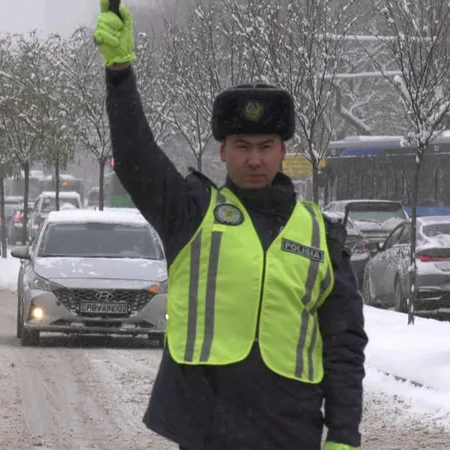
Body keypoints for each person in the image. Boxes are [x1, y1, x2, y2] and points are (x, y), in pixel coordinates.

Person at [94, 2, 368, 450]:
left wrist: (343, 435)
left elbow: (344, 346)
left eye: (266, 145)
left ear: (284, 151)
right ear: (222, 151)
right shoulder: (191, 212)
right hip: (206, 430)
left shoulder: (322, 234)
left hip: (290, 432)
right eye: (242, 145)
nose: (254, 158)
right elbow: (136, 157)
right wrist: (120, 72)